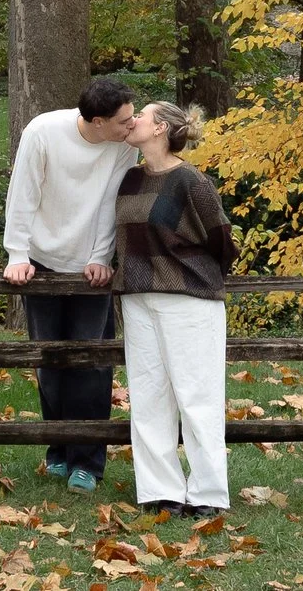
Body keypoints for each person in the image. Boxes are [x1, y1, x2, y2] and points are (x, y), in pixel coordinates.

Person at [3, 75, 141, 492]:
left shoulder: (122, 146)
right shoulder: (43, 132)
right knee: (50, 362)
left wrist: (101, 257)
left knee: (92, 364)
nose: (131, 126)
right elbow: (23, 193)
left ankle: (88, 461)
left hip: (89, 270)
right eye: (123, 121)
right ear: (97, 121)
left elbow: (109, 203)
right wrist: (17, 255)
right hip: (42, 261)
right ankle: (57, 451)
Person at [112, 100, 235, 519]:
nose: (133, 122)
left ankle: (208, 494)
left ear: (161, 128)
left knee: (197, 397)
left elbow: (221, 238)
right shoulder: (129, 179)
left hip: (188, 299)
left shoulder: (190, 181)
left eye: (141, 116)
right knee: (147, 397)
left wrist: (192, 274)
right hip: (136, 297)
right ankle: (160, 491)